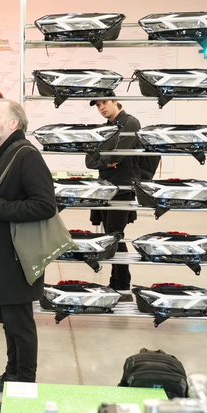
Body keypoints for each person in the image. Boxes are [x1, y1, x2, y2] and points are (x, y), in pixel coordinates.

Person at [0, 100, 58, 413]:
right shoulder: (4, 153)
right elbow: (2, 196)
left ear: (14, 124)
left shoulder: (26, 155)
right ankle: (12, 374)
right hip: (1, 258)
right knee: (7, 320)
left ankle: (24, 388)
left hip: (16, 259)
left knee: (20, 323)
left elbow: (45, 205)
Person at [85, 99, 154, 292]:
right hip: (105, 188)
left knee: (115, 236)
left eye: (104, 103)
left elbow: (118, 155)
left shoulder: (130, 123)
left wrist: (104, 157)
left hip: (122, 188)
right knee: (112, 236)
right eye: (98, 105)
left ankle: (122, 285)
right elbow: (89, 160)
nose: (101, 108)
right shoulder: (104, 128)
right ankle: (116, 283)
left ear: (116, 102)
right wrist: (107, 161)